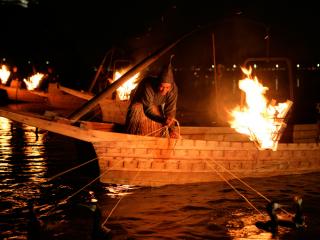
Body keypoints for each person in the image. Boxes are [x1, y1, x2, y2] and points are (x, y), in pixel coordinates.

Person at [125, 57, 179, 138]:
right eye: (162, 86)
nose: (164, 90)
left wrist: (171, 129)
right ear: (158, 83)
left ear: (171, 86)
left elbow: (170, 110)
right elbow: (147, 110)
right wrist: (162, 120)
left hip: (156, 108)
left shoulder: (173, 89)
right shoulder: (148, 85)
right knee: (137, 135)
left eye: (167, 87)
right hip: (141, 107)